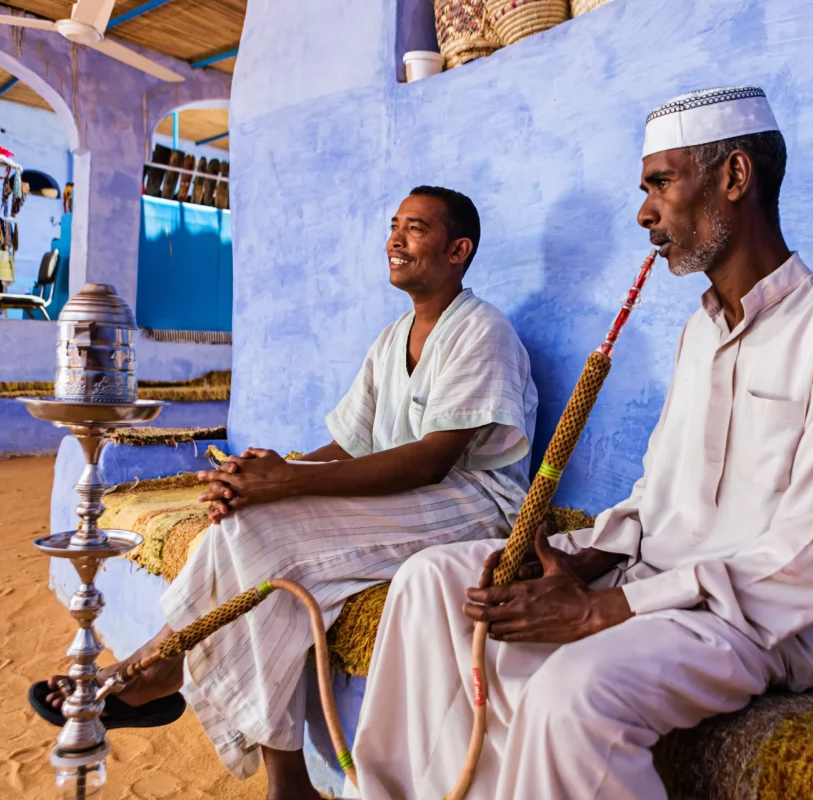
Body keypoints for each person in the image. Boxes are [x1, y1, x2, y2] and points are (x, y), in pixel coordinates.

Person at [350, 87, 813, 800]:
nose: (645, 212)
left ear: (734, 178)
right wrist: (577, 560)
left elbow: (809, 561)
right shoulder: (699, 333)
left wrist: (600, 611)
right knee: (434, 580)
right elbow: (660, 493)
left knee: (572, 695)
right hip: (653, 580)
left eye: (661, 183)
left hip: (759, 615)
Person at [38, 186, 539, 800]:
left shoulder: (482, 331)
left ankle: (161, 665)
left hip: (472, 504)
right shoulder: (392, 339)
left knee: (269, 534)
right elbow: (351, 445)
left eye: (416, 228)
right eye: (394, 225)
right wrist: (272, 472)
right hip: (415, 495)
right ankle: (278, 772)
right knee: (245, 527)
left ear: (459, 250)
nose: (396, 239)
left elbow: (433, 462)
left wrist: (288, 482)